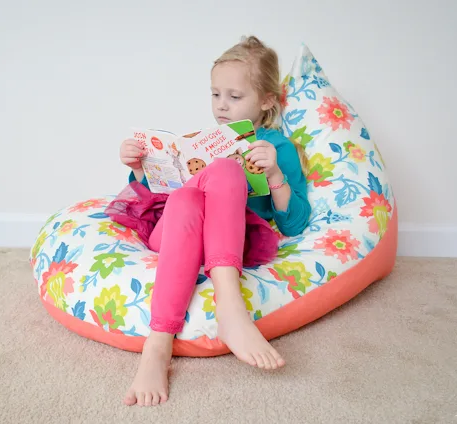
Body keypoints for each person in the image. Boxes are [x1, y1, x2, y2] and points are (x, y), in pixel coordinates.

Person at [111, 35, 311, 407]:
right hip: (174, 232)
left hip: (230, 238)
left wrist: (276, 178)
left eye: (234, 97)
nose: (221, 106)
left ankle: (158, 346)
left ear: (267, 100)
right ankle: (229, 311)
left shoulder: (276, 148)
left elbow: (295, 224)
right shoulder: (206, 140)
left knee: (201, 188)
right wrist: (139, 168)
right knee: (194, 187)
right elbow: (156, 192)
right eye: (215, 94)